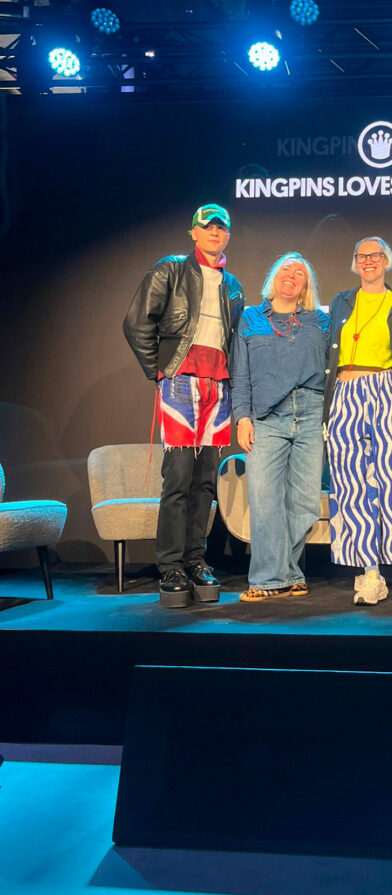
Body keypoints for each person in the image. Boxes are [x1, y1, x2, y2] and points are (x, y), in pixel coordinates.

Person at [124, 204, 245, 608]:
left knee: (205, 480)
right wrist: (160, 372)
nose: (214, 232)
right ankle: (171, 566)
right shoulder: (171, 269)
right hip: (180, 383)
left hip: (219, 388)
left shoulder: (233, 286)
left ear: (228, 235)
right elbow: (137, 322)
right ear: (193, 232)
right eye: (207, 226)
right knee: (178, 477)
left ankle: (195, 560)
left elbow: (234, 340)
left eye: (221, 227)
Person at [324, 236, 392, 605]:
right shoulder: (342, 301)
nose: (368, 261)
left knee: (390, 480)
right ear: (354, 261)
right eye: (362, 255)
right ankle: (366, 570)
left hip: (384, 390)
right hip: (344, 391)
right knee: (349, 482)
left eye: (376, 255)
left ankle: (378, 570)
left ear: (387, 260)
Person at [232, 254, 329, 602]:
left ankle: (289, 573)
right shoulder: (250, 318)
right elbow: (240, 373)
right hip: (266, 416)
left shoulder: (320, 321)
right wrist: (242, 417)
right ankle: (267, 578)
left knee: (304, 502)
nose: (291, 275)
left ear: (305, 286)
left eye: (299, 272)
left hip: (311, 412)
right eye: (285, 269)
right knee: (264, 500)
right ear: (273, 277)